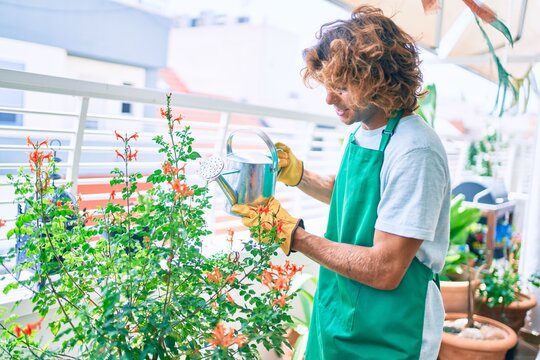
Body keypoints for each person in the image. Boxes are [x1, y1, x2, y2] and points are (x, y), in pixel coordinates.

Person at [232, 5, 450, 359]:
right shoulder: (366, 130)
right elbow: (356, 199)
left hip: (391, 326)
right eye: (329, 85)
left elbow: (387, 268)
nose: (329, 98)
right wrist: (298, 174)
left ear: (379, 80)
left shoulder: (415, 150)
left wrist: (294, 236)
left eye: (343, 87)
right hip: (341, 304)